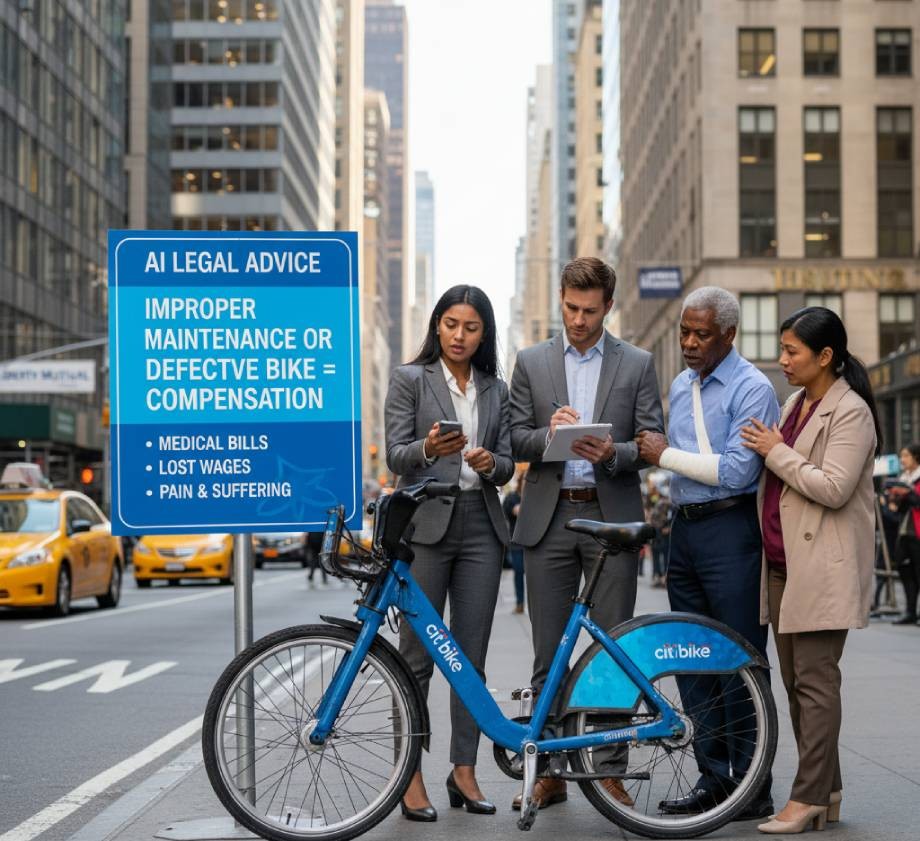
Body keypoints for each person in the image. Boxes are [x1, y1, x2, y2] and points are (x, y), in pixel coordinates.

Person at [509, 256, 664, 810]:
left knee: (613, 650)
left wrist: (613, 453)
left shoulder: (638, 362)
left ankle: (608, 771)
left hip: (610, 518)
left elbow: (652, 440)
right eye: (571, 308)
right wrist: (545, 433)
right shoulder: (530, 361)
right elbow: (513, 439)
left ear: (609, 307)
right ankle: (550, 771)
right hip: (550, 518)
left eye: (590, 311)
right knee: (548, 652)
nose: (578, 320)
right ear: (560, 299)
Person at [635, 286, 779, 821]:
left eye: (702, 335)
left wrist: (663, 453)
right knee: (692, 660)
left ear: (729, 335)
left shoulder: (752, 387)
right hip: (686, 532)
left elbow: (739, 470)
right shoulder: (681, 383)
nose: (690, 343)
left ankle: (752, 786)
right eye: (684, 332)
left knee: (738, 661)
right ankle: (714, 780)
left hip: (731, 531)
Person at [740, 306, 880, 833]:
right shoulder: (796, 401)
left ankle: (807, 799)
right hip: (782, 566)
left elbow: (833, 487)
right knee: (800, 685)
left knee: (816, 685)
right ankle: (830, 791)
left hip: (822, 565)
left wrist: (775, 451)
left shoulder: (851, 412)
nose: (782, 361)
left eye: (792, 351)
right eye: (782, 349)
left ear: (826, 356)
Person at [384, 285, 514, 822]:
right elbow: (395, 456)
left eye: (472, 327)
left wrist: (488, 463)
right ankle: (409, 774)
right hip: (427, 527)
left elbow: (507, 466)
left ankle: (464, 770)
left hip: (482, 526)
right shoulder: (409, 379)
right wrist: (427, 450)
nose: (460, 336)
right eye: (451, 324)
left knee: (470, 658)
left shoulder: (497, 389)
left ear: (484, 334)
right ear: (437, 325)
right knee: (414, 659)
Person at [890, 443, 920, 624]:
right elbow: (897, 509)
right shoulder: (903, 478)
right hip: (904, 532)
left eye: (906, 456)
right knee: (904, 570)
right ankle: (910, 611)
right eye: (902, 456)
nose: (902, 459)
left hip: (917, 533)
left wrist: (907, 494)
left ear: (916, 457)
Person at [501, 473, 526, 613]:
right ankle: (520, 602)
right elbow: (514, 511)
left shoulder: (537, 498)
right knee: (518, 573)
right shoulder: (512, 497)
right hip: (517, 542)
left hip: (535, 544)